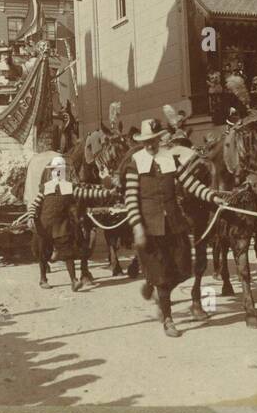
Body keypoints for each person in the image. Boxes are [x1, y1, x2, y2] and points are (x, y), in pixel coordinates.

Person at [124, 119, 227, 338]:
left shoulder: (169, 159)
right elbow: (130, 199)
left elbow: (191, 183)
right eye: (147, 142)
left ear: (159, 139)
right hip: (150, 228)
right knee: (162, 275)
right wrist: (137, 226)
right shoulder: (135, 162)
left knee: (183, 269)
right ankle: (168, 318)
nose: (151, 145)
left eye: (154, 140)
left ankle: (153, 287)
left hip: (173, 224)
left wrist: (213, 197)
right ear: (142, 143)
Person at [16, 156, 115, 291]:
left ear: (64, 172)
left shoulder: (69, 187)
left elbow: (88, 193)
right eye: (55, 170)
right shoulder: (45, 188)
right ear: (51, 172)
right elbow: (35, 205)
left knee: (68, 253)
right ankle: (43, 278)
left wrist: (108, 193)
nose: (58, 172)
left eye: (61, 170)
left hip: (61, 226)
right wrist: (32, 217)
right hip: (44, 226)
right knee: (43, 253)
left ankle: (74, 281)